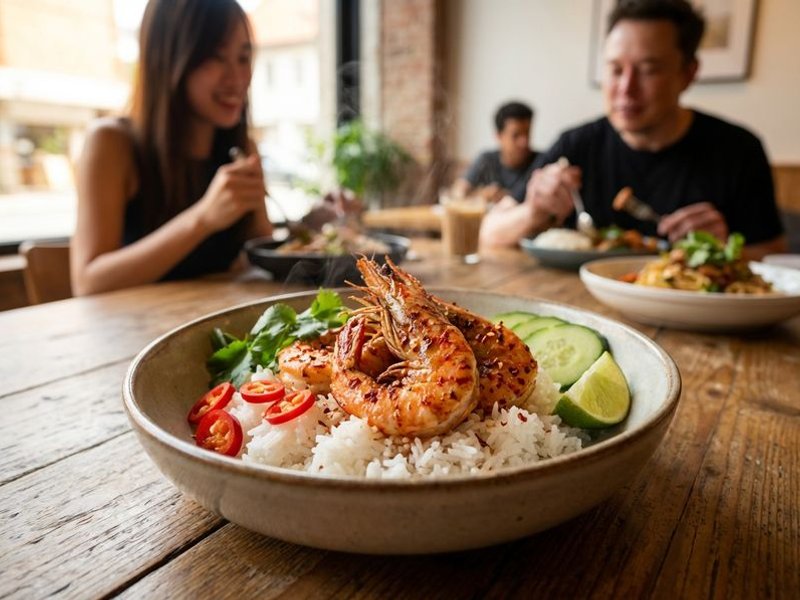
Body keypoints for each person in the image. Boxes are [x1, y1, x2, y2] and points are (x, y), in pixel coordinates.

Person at [480, 0, 787, 259]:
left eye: (648, 70)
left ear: (688, 73)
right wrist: (533, 212)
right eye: (615, 69)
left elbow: (773, 254)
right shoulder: (576, 144)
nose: (625, 89)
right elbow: (490, 232)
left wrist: (722, 249)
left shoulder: (738, 150)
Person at [71, 0, 272, 296]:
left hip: (219, 329)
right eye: (215, 57)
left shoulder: (240, 147)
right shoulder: (112, 143)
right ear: (167, 59)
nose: (237, 79)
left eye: (243, 58)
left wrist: (317, 225)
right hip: (131, 334)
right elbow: (89, 282)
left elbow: (262, 254)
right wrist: (203, 218)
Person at [451, 101, 537, 204]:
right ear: (499, 136)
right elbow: (457, 192)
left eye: (527, 133)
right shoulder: (486, 160)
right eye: (516, 135)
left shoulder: (541, 163)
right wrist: (481, 194)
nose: (524, 142)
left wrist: (508, 197)